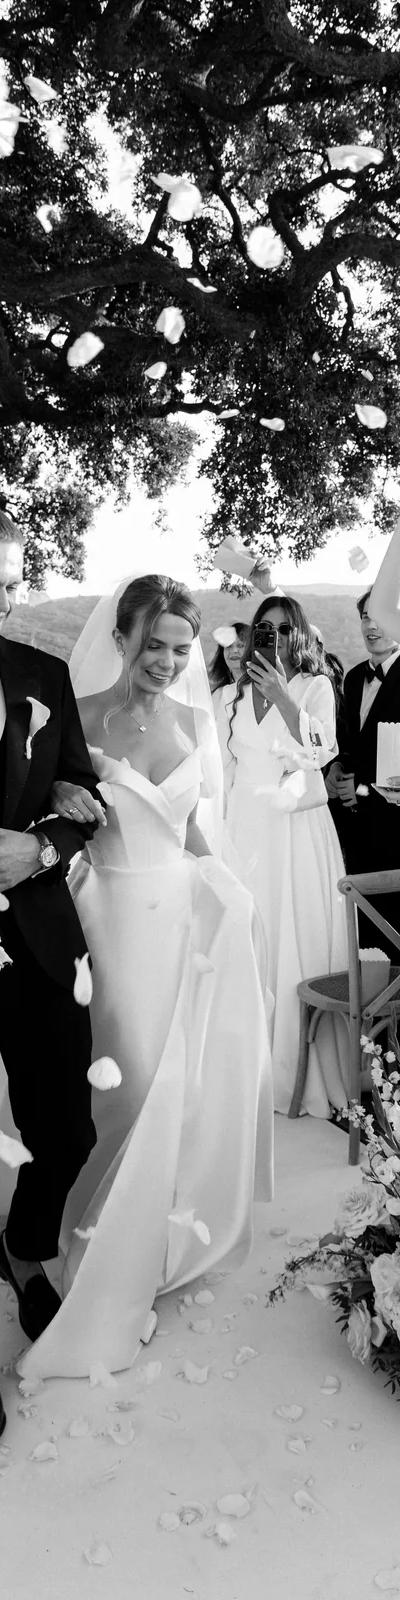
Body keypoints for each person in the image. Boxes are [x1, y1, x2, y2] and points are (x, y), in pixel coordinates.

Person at [18, 574, 274, 1383]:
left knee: (178, 1089)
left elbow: (196, 829)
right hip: (109, 926)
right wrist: (60, 790)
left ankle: (144, 1243)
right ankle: (82, 1238)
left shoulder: (199, 721)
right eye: (152, 643)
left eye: (179, 646)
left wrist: (226, 887)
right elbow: (47, 822)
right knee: (115, 1092)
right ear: (122, 636)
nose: (165, 660)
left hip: (180, 927)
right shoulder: (79, 715)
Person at [0, 509, 104, 1429]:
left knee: (68, 1130)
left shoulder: (42, 676)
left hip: (37, 939)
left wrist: (35, 852)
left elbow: (84, 798)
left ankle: (25, 1251)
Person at [220, 595, 349, 1119]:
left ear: (297, 634)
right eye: (262, 628)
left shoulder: (314, 687)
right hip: (242, 832)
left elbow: (323, 751)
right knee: (247, 941)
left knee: (293, 938)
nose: (269, 635)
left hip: (295, 830)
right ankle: (245, 1071)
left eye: (280, 628)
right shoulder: (232, 694)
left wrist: (283, 696)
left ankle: (298, 1076)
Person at [327, 587, 400, 951]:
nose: (372, 626)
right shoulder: (354, 678)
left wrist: (361, 787)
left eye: (381, 617)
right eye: (365, 616)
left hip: (394, 834)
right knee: (362, 937)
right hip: (354, 832)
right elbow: (349, 742)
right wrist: (338, 767)